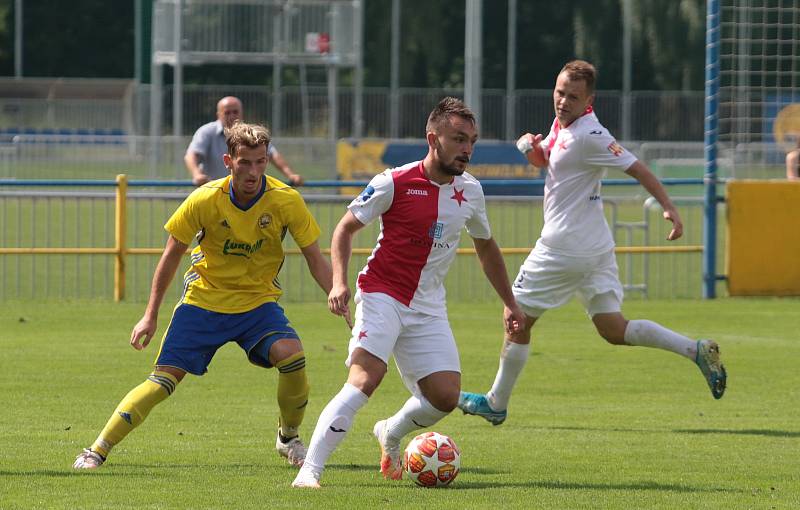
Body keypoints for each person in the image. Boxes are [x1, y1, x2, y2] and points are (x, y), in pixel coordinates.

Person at [458, 60, 728, 428]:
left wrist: (669, 208)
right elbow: (546, 159)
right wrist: (531, 148)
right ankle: (694, 350)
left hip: (564, 247)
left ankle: (496, 403)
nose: (562, 101)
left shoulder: (591, 134)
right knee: (613, 329)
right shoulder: (562, 124)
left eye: (572, 97)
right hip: (595, 245)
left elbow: (638, 168)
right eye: (559, 92)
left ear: (589, 100)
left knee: (515, 319)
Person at [291, 97, 526, 488]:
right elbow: (344, 229)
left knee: (445, 396)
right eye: (459, 139)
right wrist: (339, 281)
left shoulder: (471, 191)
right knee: (366, 378)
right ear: (433, 138)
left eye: (472, 140)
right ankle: (310, 471)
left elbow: (486, 247)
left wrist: (510, 301)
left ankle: (391, 432)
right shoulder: (392, 181)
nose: (467, 148)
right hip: (382, 293)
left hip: (429, 305)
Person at [74, 121, 332, 469]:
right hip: (203, 303)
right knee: (162, 382)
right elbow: (170, 256)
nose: (253, 171)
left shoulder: (286, 200)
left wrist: (338, 294)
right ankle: (96, 450)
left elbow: (316, 258)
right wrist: (150, 314)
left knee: (293, 357)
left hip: (257, 304)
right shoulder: (205, 198)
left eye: (260, 162)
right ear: (228, 161)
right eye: (245, 162)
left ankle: (289, 438)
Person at [184, 96, 305, 187]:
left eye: (235, 112)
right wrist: (197, 174)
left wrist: (290, 175)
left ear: (241, 113)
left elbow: (272, 154)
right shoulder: (206, 131)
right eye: (227, 112)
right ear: (218, 114)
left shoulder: (250, 132)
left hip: (245, 197)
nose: (232, 116)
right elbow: (192, 155)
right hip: (213, 193)